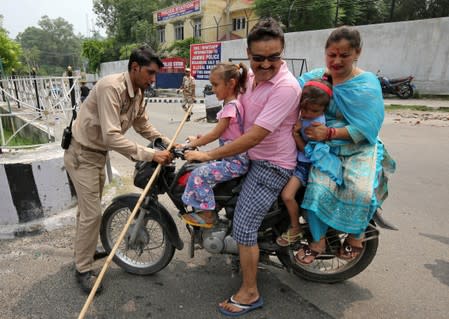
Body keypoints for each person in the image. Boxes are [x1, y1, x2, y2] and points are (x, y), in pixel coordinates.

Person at [185, 18, 301, 316]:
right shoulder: (249, 77)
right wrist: (202, 140)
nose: (266, 65)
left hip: (271, 165)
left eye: (273, 57)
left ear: (282, 52)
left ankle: (250, 292)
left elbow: (255, 136)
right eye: (258, 58)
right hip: (251, 157)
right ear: (248, 54)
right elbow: (231, 114)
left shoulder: (286, 87)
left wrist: (209, 155)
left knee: (244, 228)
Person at [64, 46, 173, 294]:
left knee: (87, 211)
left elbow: (142, 124)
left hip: (97, 155)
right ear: (135, 68)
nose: (153, 79)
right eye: (150, 73)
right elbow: (112, 136)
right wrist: (151, 154)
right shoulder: (110, 87)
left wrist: (165, 142)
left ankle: (87, 249)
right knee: (91, 214)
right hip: (82, 154)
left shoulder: (138, 92)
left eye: (155, 74)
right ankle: (82, 269)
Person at [294, 26, 396, 265]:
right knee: (317, 190)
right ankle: (318, 241)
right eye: (331, 54)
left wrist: (329, 132)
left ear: (357, 53)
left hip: (357, 147)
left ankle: (356, 236)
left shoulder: (366, 84)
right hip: (324, 150)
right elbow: (288, 89)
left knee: (360, 191)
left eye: (344, 55)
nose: (336, 60)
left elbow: (367, 128)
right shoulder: (316, 78)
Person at [181, 62, 250, 228]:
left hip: (234, 162)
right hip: (231, 158)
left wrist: (194, 144)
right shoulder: (232, 104)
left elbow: (216, 134)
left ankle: (208, 215)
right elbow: (224, 132)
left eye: (215, 84)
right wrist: (198, 138)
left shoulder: (231, 106)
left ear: (231, 83)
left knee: (198, 175)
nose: (212, 89)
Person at [276, 79, 332, 247]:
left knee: (287, 195)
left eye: (313, 110)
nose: (307, 113)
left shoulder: (315, 125)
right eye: (304, 109)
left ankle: (295, 227)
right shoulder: (306, 116)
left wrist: (296, 134)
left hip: (305, 165)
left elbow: (307, 150)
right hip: (295, 161)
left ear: (324, 109)